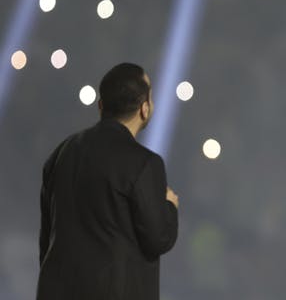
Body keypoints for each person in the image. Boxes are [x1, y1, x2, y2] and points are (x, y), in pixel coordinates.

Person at [36, 62, 179, 300]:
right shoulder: (145, 163)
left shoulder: (61, 153)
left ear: (101, 105)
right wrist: (169, 206)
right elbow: (158, 238)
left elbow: (47, 236)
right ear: (145, 108)